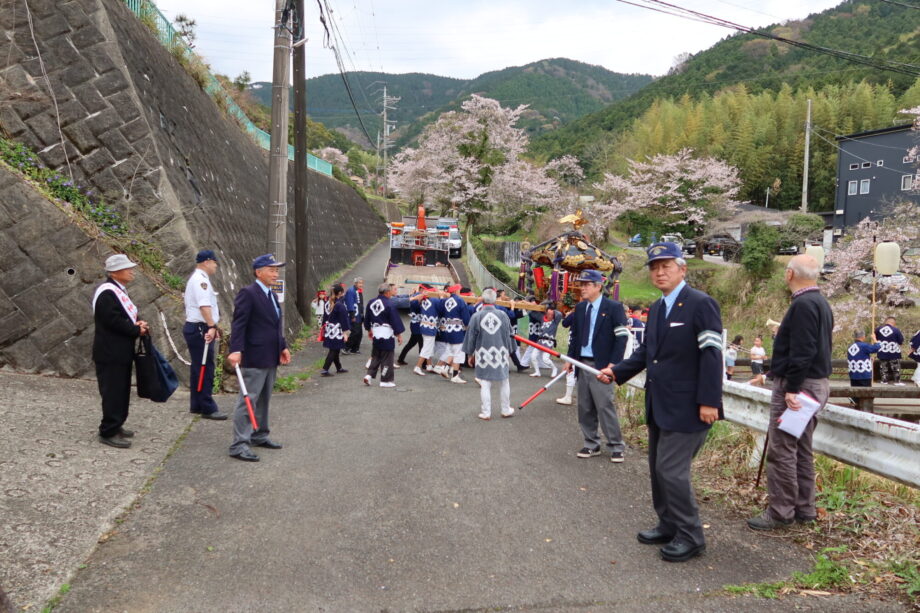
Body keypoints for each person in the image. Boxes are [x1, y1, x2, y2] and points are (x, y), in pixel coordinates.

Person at [606, 242, 723, 563]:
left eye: (666, 266)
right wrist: (616, 372)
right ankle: (668, 524)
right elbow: (646, 354)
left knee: (672, 471)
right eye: (654, 267)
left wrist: (710, 400)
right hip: (660, 403)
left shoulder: (701, 304)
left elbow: (712, 355)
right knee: (658, 469)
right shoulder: (657, 308)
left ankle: (691, 535)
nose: (659, 272)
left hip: (692, 405)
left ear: (682, 269)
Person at [747, 254, 833, 531]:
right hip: (815, 383)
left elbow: (803, 350)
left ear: (789, 274)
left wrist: (791, 388)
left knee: (782, 449)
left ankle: (781, 511)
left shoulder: (803, 304)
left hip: (800, 386)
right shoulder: (820, 302)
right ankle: (804, 508)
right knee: (801, 448)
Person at [227, 254, 291, 462]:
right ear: (259, 272)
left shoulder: (270, 294)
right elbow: (239, 324)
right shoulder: (248, 293)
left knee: (264, 398)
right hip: (254, 355)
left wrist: (282, 346)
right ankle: (239, 444)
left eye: (277, 270)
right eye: (272, 270)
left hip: (270, 354)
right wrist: (235, 349)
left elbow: (273, 325)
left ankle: (260, 434)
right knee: (248, 399)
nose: (276, 274)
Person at [563, 269, 630, 463]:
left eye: (586, 284)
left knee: (604, 405)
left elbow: (622, 337)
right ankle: (591, 443)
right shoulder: (581, 308)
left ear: (598, 286)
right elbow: (574, 337)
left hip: (602, 365)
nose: (582, 288)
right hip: (582, 363)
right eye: (581, 284)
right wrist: (569, 359)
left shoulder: (613, 307)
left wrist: (613, 364)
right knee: (584, 406)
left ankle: (616, 446)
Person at [92, 254, 149, 448]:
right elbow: (113, 321)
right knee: (113, 391)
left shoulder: (118, 290)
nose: (132, 271)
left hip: (120, 351)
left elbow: (125, 315)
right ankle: (108, 430)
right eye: (128, 268)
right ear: (115, 272)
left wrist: (137, 322)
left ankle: (117, 424)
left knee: (122, 390)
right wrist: (135, 329)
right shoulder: (107, 293)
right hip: (110, 352)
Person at [182, 250, 228, 420]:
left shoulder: (197, 279)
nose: (216, 265)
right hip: (201, 327)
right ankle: (208, 407)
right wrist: (212, 326)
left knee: (198, 367)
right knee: (205, 367)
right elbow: (204, 306)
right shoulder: (201, 281)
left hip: (196, 327)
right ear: (207, 262)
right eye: (215, 262)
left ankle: (197, 404)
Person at [464, 288, 517, 420]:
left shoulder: (477, 316)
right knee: (504, 381)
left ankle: (486, 412)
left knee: (485, 383)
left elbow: (471, 337)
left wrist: (470, 354)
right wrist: (510, 350)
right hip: (501, 352)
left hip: (483, 353)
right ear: (495, 299)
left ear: (482, 299)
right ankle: (505, 409)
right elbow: (509, 334)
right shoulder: (503, 315)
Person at [363, 283, 405, 387]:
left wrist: (369, 329)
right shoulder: (389, 304)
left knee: (376, 355)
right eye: (390, 291)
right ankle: (385, 381)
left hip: (376, 332)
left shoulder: (371, 302)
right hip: (386, 333)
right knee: (387, 357)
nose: (391, 293)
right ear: (387, 292)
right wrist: (399, 335)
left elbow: (367, 317)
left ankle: (369, 375)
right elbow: (395, 321)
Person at [434, 284, 470, 384]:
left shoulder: (445, 301)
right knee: (459, 352)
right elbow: (465, 316)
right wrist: (467, 325)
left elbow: (440, 311)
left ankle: (444, 368)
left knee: (450, 351)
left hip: (447, 328)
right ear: (456, 291)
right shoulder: (460, 300)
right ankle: (455, 375)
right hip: (457, 328)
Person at [320, 284, 350, 376]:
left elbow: (324, 317)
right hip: (337, 330)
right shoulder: (340, 305)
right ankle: (325, 369)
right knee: (334, 350)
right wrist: (346, 332)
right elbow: (344, 319)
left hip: (329, 329)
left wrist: (323, 328)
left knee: (335, 349)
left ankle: (339, 367)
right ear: (340, 293)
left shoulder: (327, 303)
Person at [531, 301, 562, 378]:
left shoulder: (555, 321)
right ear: (546, 313)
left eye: (552, 314)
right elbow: (531, 313)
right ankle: (537, 372)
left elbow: (560, 314)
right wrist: (539, 305)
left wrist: (552, 308)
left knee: (545, 359)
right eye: (548, 314)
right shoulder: (542, 318)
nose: (550, 315)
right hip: (540, 341)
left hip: (549, 342)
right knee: (533, 356)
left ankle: (554, 369)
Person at [414, 288, 441, 376]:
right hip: (430, 327)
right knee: (427, 347)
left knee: (429, 345)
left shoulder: (424, 300)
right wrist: (441, 297)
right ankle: (418, 366)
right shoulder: (435, 300)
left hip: (424, 325)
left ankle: (429, 365)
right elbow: (442, 309)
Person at [398, 286, 427, 366]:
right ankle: (423, 364)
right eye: (425, 290)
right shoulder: (416, 298)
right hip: (416, 324)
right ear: (421, 289)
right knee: (421, 344)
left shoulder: (419, 297)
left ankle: (401, 358)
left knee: (411, 343)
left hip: (417, 324)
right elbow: (416, 307)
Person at [875, 316, 904, 385]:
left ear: (886, 322)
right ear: (893, 323)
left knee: (883, 367)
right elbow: (900, 341)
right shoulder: (896, 330)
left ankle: (884, 380)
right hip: (894, 352)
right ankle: (897, 381)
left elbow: (875, 339)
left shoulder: (878, 329)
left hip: (882, 351)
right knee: (896, 367)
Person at [343, 277, 364, 355]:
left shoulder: (358, 291)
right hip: (354, 314)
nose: (361, 285)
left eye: (362, 283)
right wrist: (352, 315)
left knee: (359, 333)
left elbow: (360, 304)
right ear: (355, 283)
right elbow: (350, 303)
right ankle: (346, 347)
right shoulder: (351, 291)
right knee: (355, 331)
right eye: (359, 283)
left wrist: (362, 315)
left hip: (358, 314)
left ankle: (355, 349)